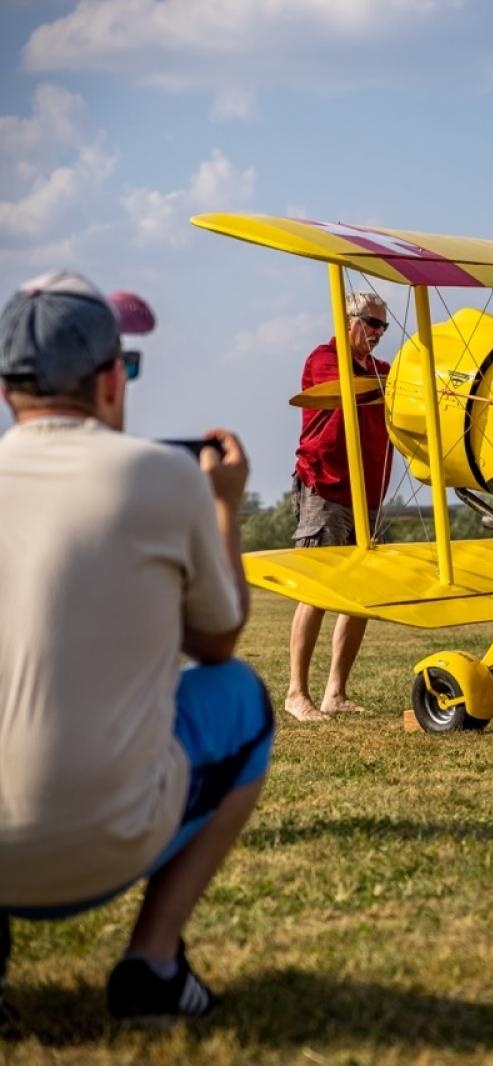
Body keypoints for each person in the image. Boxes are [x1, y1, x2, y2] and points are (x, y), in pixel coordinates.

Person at [0, 271, 272, 1024]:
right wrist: (223, 505)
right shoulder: (160, 476)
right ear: (113, 379)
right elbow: (218, 643)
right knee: (243, 698)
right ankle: (151, 962)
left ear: (7, 391)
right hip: (111, 841)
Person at [283, 291, 394, 722]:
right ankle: (296, 693)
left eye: (383, 326)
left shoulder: (381, 372)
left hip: (366, 494)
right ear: (347, 319)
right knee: (318, 589)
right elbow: (354, 392)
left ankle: (336, 692)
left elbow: (396, 387)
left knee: (359, 594)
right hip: (325, 485)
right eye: (371, 323)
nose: (379, 334)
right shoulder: (324, 359)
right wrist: (393, 385)